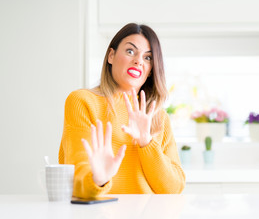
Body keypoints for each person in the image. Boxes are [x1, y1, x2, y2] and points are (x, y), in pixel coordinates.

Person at [58, 23, 185, 198]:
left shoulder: (157, 117)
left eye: (148, 58)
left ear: (150, 71)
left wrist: (146, 142)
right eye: (130, 51)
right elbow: (78, 178)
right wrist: (98, 179)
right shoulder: (82, 101)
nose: (138, 61)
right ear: (111, 55)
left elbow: (174, 188)